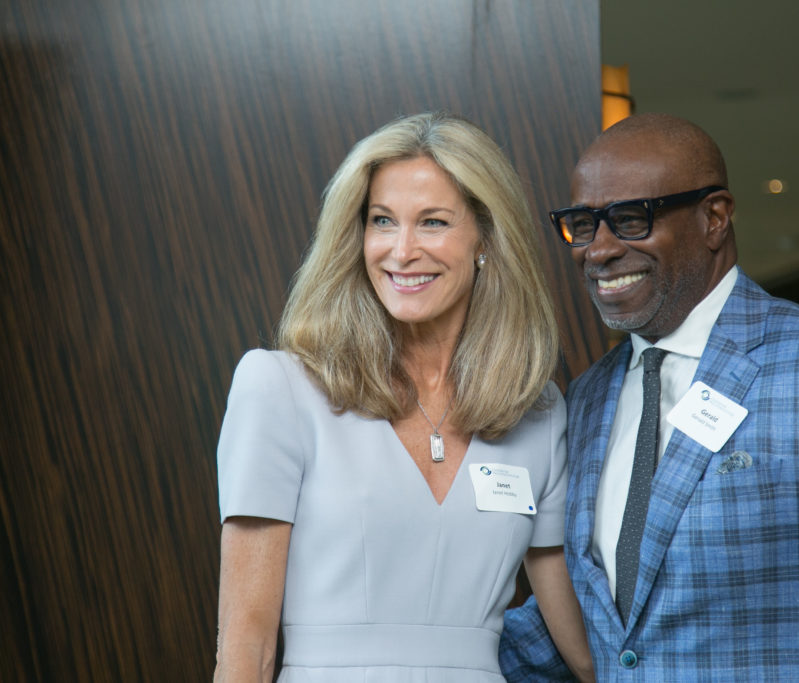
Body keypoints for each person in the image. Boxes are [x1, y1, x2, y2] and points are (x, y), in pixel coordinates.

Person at [499, 113, 799, 680]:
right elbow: (604, 623)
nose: (599, 250)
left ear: (715, 217)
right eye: (582, 225)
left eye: (631, 220)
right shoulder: (585, 400)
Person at [214, 112, 593, 682]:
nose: (402, 250)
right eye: (382, 221)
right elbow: (246, 648)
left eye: (433, 222)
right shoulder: (279, 388)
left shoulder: (537, 412)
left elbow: (584, 652)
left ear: (486, 239)